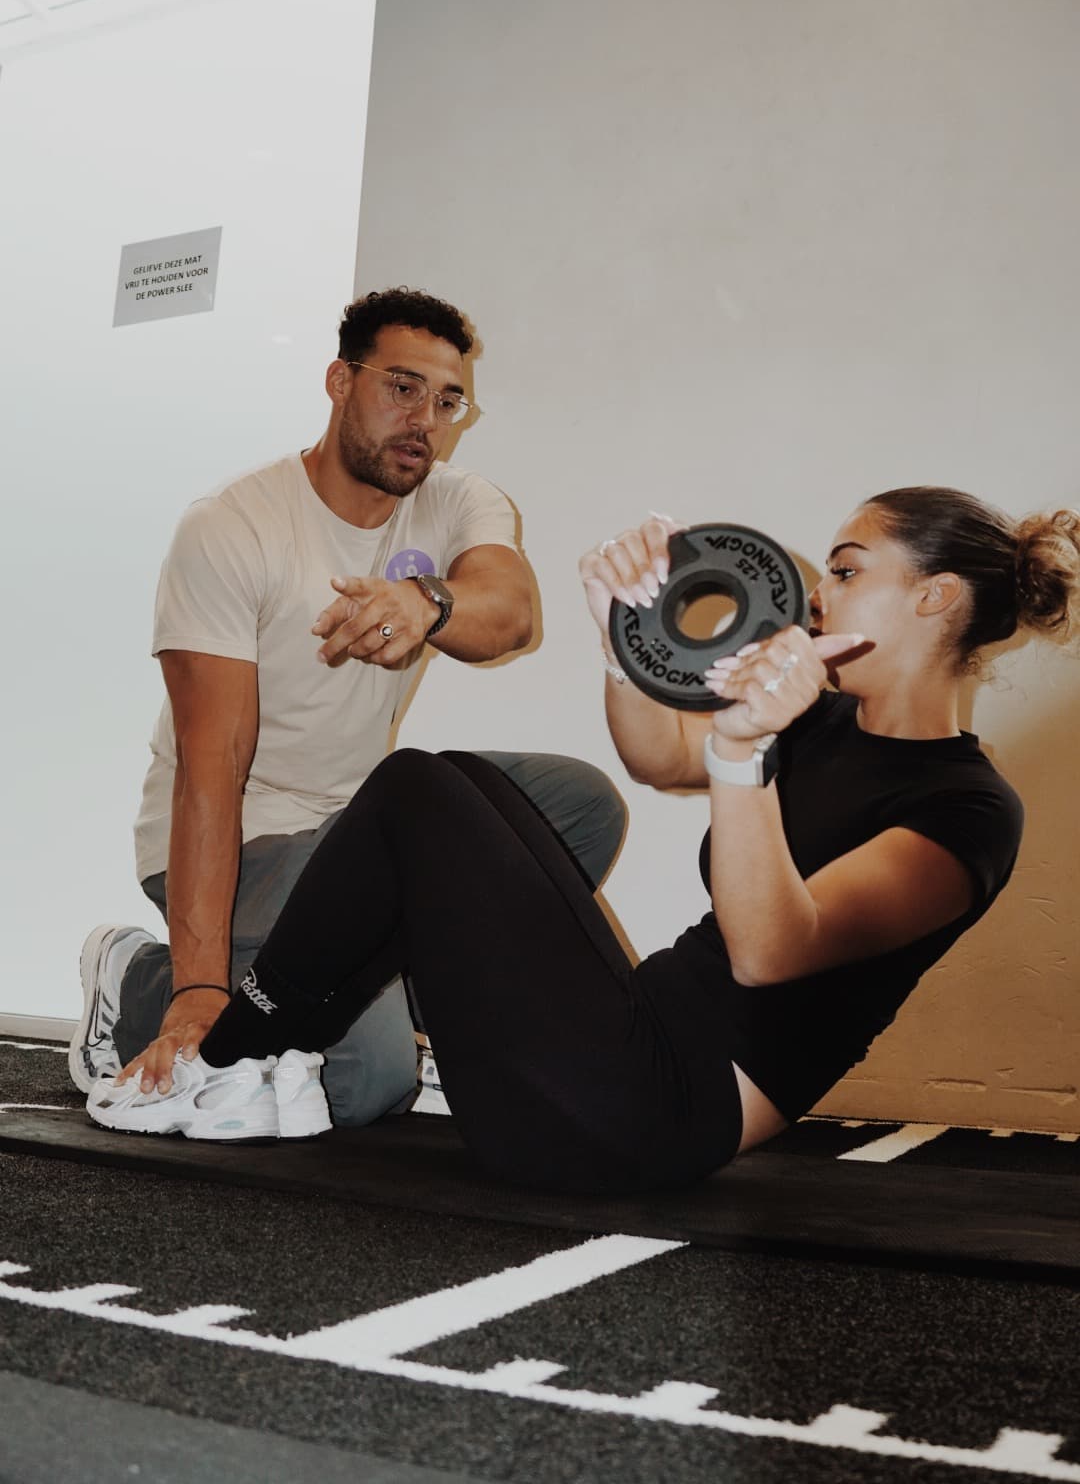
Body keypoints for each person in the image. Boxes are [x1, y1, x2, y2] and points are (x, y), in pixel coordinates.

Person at [84, 488, 1080, 1194]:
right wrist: (620, 642)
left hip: (643, 1117)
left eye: (850, 569)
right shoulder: (822, 723)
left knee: (416, 791)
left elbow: (772, 949)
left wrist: (742, 753)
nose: (821, 590)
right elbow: (658, 756)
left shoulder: (970, 809)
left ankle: (228, 1056)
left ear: (935, 596)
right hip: (625, 1045)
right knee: (458, 783)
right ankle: (263, 1055)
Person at [69, 288, 625, 1127]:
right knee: (368, 1086)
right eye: (402, 387)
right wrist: (197, 990)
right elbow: (211, 770)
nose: (425, 420)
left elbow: (509, 612)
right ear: (339, 381)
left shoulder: (457, 500)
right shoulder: (231, 527)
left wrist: (426, 602)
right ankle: (136, 975)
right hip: (242, 844)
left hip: (354, 834)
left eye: (447, 401)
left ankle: (400, 993)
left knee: (578, 806)